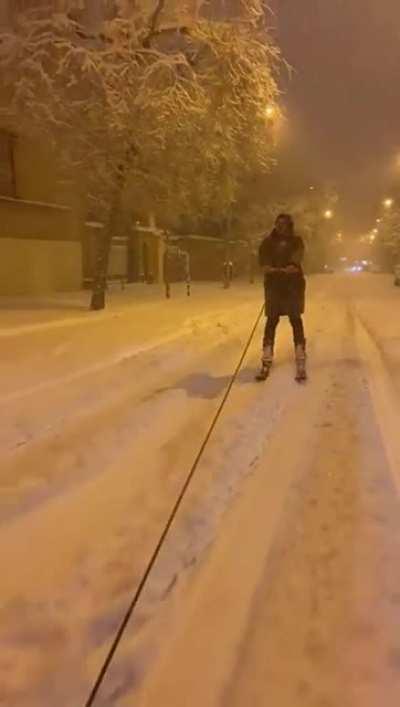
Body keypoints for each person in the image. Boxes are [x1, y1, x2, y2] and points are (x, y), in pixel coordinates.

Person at [256, 213, 307, 381]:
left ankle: (300, 353)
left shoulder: (296, 241)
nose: (280, 226)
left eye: (284, 224)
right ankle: (267, 355)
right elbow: (262, 258)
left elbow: (297, 255)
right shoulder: (268, 242)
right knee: (271, 320)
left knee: (295, 318)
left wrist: (292, 266)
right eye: (278, 223)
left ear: (289, 225)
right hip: (274, 286)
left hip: (292, 285)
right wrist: (267, 267)